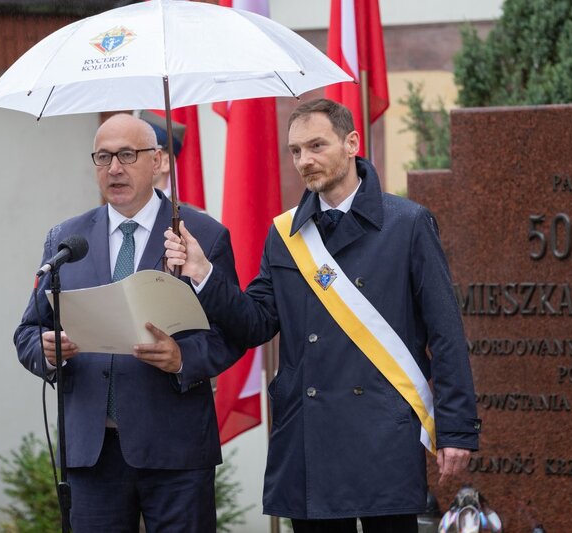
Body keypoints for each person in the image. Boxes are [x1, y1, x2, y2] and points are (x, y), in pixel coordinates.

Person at [164, 98, 481, 533]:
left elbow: (446, 334)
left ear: (351, 143)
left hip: (383, 435)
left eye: (316, 145)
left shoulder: (407, 224)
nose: (304, 160)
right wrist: (205, 274)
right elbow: (255, 321)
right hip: (308, 438)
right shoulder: (284, 234)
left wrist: (457, 430)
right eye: (295, 150)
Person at [14, 113, 242, 533]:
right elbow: (28, 332)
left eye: (127, 155)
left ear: (156, 161)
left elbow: (233, 332)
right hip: (92, 452)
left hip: (176, 450)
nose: (114, 168)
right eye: (103, 157)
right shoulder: (66, 239)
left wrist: (181, 358)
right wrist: (48, 351)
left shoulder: (200, 234)